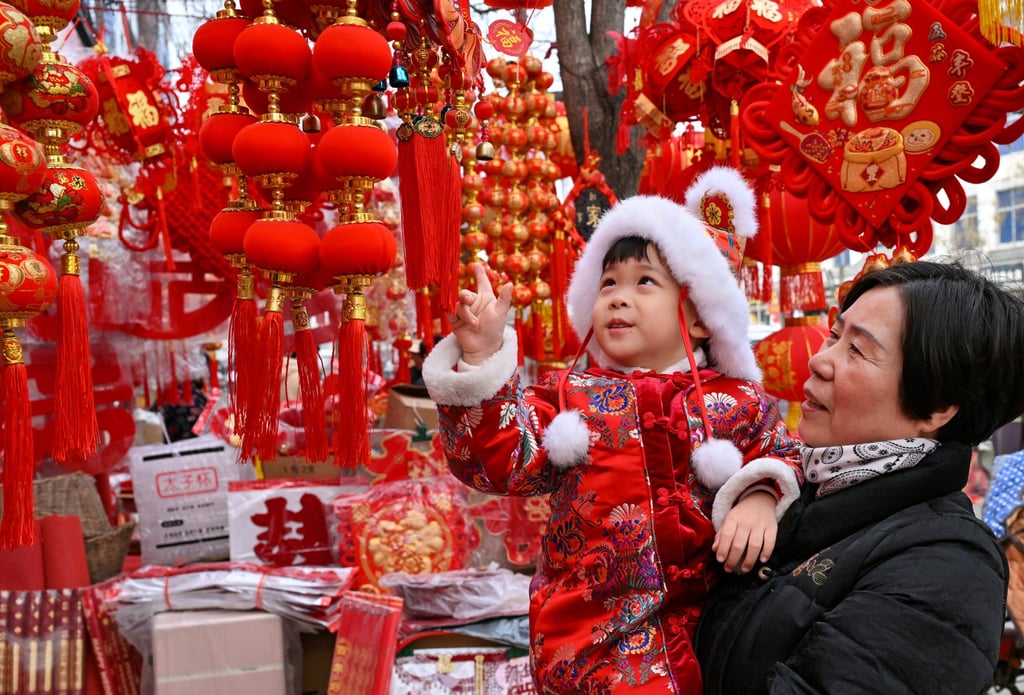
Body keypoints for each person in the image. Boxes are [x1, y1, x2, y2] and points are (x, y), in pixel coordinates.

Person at [422, 167, 803, 693]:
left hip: (712, 636)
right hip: (588, 644)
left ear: (698, 314)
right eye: (608, 284)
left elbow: (784, 455)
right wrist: (482, 356)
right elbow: (496, 462)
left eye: (644, 282)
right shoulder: (567, 396)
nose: (618, 298)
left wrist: (760, 494)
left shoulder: (736, 400)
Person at [696, 260, 1024, 695]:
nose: (818, 360)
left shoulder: (948, 568)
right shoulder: (793, 487)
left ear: (937, 407)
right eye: (835, 335)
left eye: (857, 350)